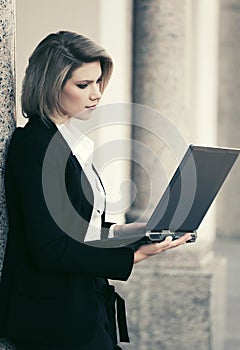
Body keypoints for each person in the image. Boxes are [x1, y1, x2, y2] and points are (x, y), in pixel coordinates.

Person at [0, 31, 191, 350]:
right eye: (83, 85)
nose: (97, 93)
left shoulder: (67, 142)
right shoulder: (36, 146)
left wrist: (127, 232)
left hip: (82, 307)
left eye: (99, 81)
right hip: (53, 319)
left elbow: (76, 229)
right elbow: (50, 247)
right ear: (50, 85)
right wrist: (131, 257)